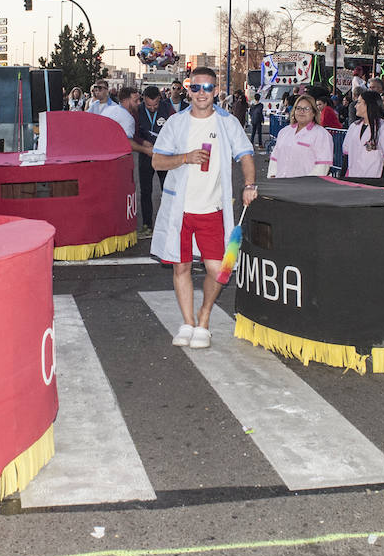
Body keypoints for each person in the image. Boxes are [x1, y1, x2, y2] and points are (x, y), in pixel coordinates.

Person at [149, 67, 257, 349]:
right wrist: (184, 157)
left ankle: (205, 314)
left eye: (207, 88)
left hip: (212, 209)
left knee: (219, 270)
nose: (201, 94)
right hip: (180, 208)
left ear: (215, 90)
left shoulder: (227, 122)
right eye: (195, 88)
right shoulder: (176, 123)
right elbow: (157, 161)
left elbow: (245, 155)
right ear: (188, 90)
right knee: (181, 267)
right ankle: (188, 322)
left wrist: (249, 184)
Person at [135, 87, 176, 238]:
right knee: (146, 191)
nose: (152, 108)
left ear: (160, 99)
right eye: (149, 105)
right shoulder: (137, 110)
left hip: (165, 156)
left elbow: (176, 129)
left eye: (155, 105)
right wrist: (142, 142)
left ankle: (169, 223)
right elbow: (133, 133)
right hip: (146, 156)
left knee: (168, 190)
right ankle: (147, 225)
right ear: (143, 99)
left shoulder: (168, 108)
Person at [268, 93, 333, 178]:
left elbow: (322, 167)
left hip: (304, 188)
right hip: (280, 185)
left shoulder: (322, 135)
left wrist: (305, 186)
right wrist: (272, 177)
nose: (301, 111)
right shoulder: (284, 132)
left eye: (306, 109)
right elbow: (274, 158)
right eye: (298, 108)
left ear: (314, 112)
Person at [343, 90, 384, 178]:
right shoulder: (354, 126)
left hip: (373, 179)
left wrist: (382, 181)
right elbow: (346, 155)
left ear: (368, 105)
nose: (355, 106)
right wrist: (342, 177)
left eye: (359, 102)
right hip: (352, 176)